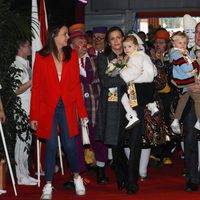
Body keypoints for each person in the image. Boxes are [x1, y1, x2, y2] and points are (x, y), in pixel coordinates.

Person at [30, 24, 88, 199]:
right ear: (54, 36)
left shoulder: (72, 55)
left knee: (70, 144)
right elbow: (37, 88)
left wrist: (83, 113)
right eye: (64, 34)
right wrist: (34, 116)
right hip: (47, 108)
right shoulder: (41, 57)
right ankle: (48, 185)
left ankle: (77, 176)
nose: (67, 37)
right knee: (51, 146)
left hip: (67, 106)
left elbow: (76, 87)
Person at [96, 26, 155, 194]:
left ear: (124, 39)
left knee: (136, 143)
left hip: (135, 104)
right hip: (114, 106)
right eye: (112, 39)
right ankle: (121, 174)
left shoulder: (134, 54)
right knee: (116, 145)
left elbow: (148, 74)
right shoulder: (104, 58)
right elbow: (106, 82)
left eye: (118, 37)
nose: (116, 41)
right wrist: (127, 76)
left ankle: (132, 180)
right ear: (108, 42)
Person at [68, 24, 109, 184]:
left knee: (97, 138)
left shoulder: (95, 60)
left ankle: (101, 170)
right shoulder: (67, 63)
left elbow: (100, 80)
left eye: (83, 42)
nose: (82, 45)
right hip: (75, 108)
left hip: (94, 106)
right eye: (78, 42)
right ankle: (78, 174)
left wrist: (87, 80)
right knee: (75, 141)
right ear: (71, 46)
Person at [11, 39, 38, 185]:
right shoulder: (16, 66)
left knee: (27, 141)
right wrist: (32, 82)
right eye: (28, 46)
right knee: (21, 142)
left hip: (29, 108)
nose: (30, 48)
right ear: (21, 47)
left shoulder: (26, 65)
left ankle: (25, 173)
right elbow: (16, 90)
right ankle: (20, 176)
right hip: (21, 108)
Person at [119, 33, 158, 129]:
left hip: (138, 86)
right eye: (124, 47)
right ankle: (153, 107)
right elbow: (155, 71)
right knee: (147, 99)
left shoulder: (135, 58)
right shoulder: (145, 56)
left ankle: (132, 116)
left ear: (136, 46)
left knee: (123, 98)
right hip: (149, 85)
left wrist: (121, 74)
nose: (126, 49)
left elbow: (134, 72)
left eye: (129, 46)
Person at [170, 31, 200, 134]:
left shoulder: (185, 52)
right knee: (198, 99)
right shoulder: (178, 54)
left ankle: (176, 120)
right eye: (180, 43)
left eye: (185, 43)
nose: (183, 45)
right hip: (187, 81)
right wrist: (196, 62)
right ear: (174, 44)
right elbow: (186, 67)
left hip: (187, 82)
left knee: (183, 100)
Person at [182, 22, 200, 192]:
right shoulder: (184, 53)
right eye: (197, 32)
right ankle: (193, 178)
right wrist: (185, 85)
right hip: (190, 101)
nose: (199, 35)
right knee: (189, 140)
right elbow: (173, 77)